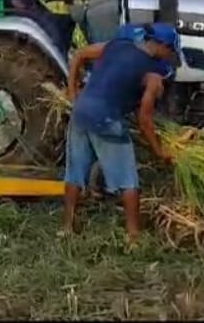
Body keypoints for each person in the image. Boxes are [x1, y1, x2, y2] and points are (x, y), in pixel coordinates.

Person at [60, 22, 182, 243]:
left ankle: (67, 227)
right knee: (128, 181)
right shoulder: (154, 74)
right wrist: (159, 152)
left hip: (80, 112)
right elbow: (144, 120)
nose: (170, 56)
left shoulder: (115, 45)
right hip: (106, 120)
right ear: (162, 46)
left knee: (75, 173)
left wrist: (72, 92)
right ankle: (133, 237)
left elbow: (79, 54)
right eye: (171, 51)